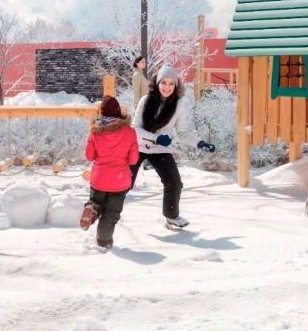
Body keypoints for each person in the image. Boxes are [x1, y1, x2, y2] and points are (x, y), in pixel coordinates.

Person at [130, 65, 216, 230]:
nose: (167, 87)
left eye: (171, 83)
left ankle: (171, 215)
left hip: (160, 150)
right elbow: (135, 129)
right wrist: (156, 138)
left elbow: (183, 132)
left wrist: (199, 143)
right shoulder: (145, 100)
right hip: (137, 146)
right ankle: (105, 210)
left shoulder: (179, 105)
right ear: (157, 83)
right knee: (123, 182)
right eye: (164, 82)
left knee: (174, 183)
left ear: (176, 86)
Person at [80, 96, 139, 250]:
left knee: (97, 203)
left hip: (99, 179)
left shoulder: (96, 131)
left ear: (102, 112)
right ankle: (103, 242)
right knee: (111, 214)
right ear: (119, 111)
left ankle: (92, 210)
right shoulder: (129, 132)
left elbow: (89, 156)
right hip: (119, 181)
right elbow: (134, 160)